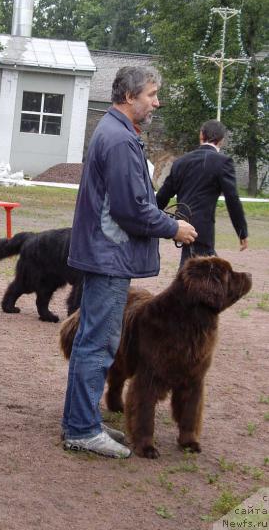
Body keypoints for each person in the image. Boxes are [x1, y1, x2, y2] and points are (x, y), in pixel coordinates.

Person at [63, 66, 197, 458]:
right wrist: (174, 228)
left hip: (106, 253)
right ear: (129, 96)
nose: (156, 102)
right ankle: (82, 429)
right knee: (98, 345)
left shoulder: (115, 133)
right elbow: (131, 209)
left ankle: (81, 421)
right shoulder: (119, 140)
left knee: (93, 341)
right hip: (109, 256)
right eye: (152, 94)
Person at [156, 119, 248, 267]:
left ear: (201, 135)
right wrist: (242, 231)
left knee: (194, 271)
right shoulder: (223, 162)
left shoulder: (181, 162)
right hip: (202, 230)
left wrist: (150, 218)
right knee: (201, 274)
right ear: (221, 140)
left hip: (181, 224)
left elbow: (163, 195)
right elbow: (232, 199)